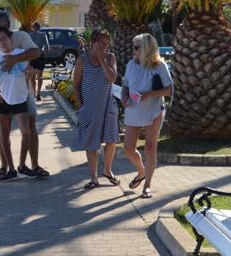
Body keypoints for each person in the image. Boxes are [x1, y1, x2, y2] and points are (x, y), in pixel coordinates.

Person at [0, 10, 49, 179]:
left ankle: (33, 165)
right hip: (1, 97)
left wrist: (15, 60)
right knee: (3, 131)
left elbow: (36, 52)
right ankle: (5, 167)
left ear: (7, 24)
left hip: (24, 95)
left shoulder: (21, 37)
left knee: (30, 129)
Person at [122, 33, 173, 199]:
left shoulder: (160, 66)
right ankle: (141, 171)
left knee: (150, 147)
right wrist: (124, 96)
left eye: (137, 47)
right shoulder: (131, 64)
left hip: (154, 110)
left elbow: (169, 90)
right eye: (133, 46)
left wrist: (149, 94)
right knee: (128, 148)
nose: (133, 50)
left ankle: (147, 185)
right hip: (133, 109)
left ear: (146, 49)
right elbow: (125, 84)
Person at [0, 29, 33, 181]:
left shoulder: (22, 54)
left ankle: (22, 165)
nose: (2, 42)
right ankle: (11, 169)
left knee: (26, 133)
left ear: (10, 39)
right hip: (1, 101)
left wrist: (29, 74)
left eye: (4, 38)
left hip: (20, 99)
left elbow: (28, 73)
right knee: (4, 135)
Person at [73, 29, 119, 189]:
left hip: (108, 107)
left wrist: (102, 59)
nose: (104, 46)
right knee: (91, 143)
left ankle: (107, 170)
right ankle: (94, 178)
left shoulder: (110, 57)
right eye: (101, 43)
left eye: (107, 43)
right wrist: (81, 107)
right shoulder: (82, 60)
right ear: (93, 42)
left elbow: (112, 77)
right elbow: (76, 85)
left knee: (111, 141)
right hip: (89, 109)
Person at [27, 21, 50, 101]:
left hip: (32, 57)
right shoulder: (43, 35)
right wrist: (44, 54)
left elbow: (27, 47)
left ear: (33, 28)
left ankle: (34, 93)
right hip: (40, 56)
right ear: (39, 28)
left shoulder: (29, 35)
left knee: (32, 77)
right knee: (40, 76)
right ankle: (38, 93)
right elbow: (47, 47)